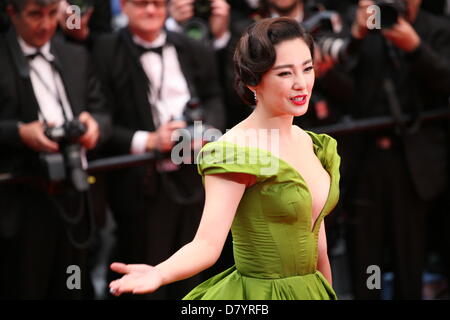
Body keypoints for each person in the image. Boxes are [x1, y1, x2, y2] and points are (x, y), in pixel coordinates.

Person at [108, 17, 341, 300]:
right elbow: (206, 244)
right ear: (255, 80)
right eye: (285, 73)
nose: (301, 83)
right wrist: (159, 273)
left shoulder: (311, 144)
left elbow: (320, 250)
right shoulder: (234, 150)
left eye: (307, 69)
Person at [92, 0, 226, 299]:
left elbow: (214, 97)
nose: (151, 11)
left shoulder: (192, 45)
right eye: (142, 4)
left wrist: (206, 132)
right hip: (140, 185)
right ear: (124, 6)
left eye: (157, 3)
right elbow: (100, 120)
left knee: (195, 273)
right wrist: (149, 140)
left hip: (195, 177)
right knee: (144, 271)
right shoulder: (104, 50)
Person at [0, 0, 109, 299]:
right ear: (12, 12)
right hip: (21, 205)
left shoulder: (74, 54)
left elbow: (102, 112)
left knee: (73, 285)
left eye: (51, 15)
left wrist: (94, 126)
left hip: (76, 198)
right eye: (35, 14)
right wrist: (19, 133)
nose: (45, 25)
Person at [342, 0, 450, 299]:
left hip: (414, 163)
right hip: (365, 161)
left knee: (409, 259)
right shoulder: (363, 25)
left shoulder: (437, 29)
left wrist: (416, 48)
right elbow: (342, 89)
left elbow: (445, 83)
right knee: (368, 263)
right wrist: (355, 38)